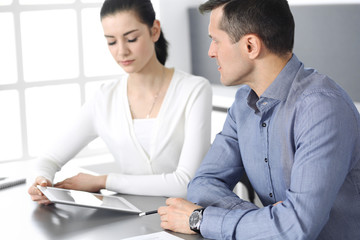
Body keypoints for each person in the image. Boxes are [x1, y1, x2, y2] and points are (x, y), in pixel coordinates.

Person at [158, 0, 360, 239]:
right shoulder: (243, 104)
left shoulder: (322, 108)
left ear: (251, 46)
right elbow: (202, 183)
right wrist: (265, 222)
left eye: (216, 40)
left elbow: (296, 228)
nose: (211, 52)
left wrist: (200, 219)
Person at [28, 0, 212, 205]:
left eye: (131, 39)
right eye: (111, 42)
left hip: (190, 220)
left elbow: (185, 183)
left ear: (154, 31)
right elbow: (49, 158)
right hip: (136, 221)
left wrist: (104, 181)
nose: (121, 51)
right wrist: (42, 181)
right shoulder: (104, 99)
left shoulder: (194, 90)